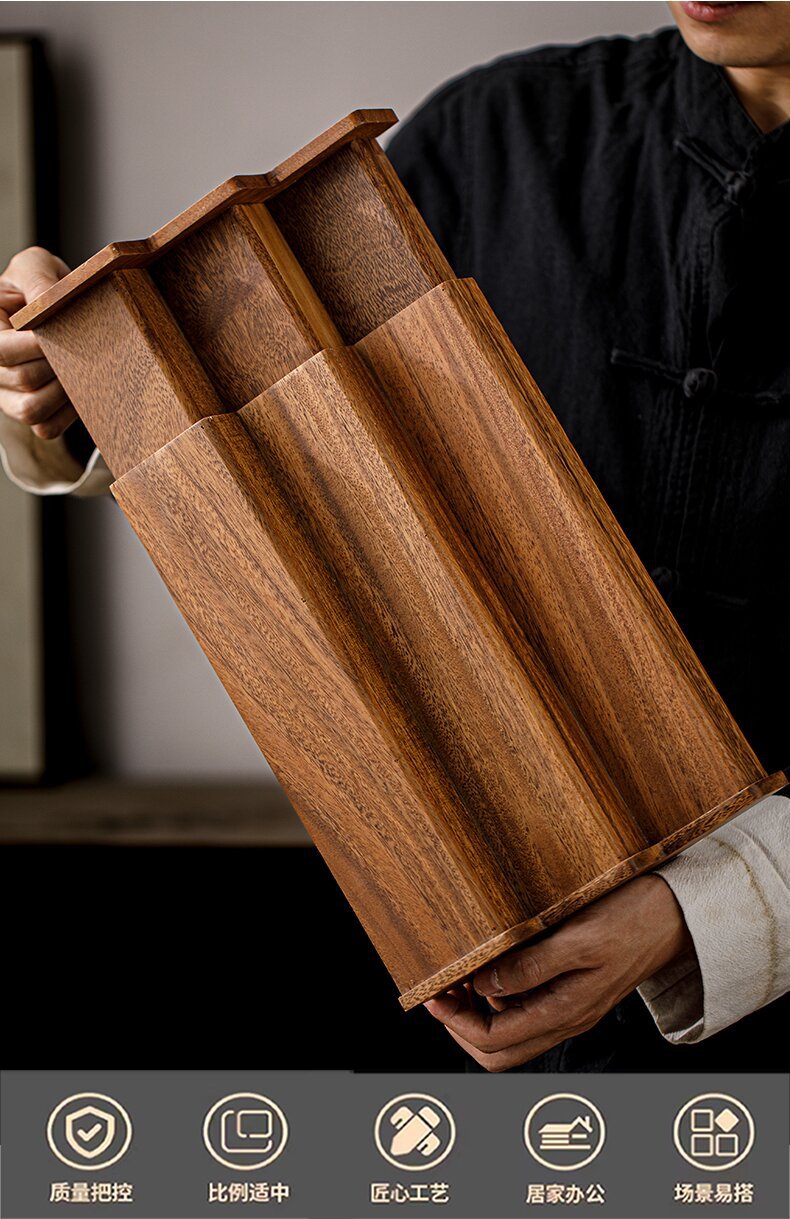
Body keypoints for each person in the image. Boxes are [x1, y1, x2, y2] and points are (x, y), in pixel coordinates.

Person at [0, 2, 787, 1073]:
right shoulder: (503, 130)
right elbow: (279, 425)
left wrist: (708, 910)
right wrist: (72, 376)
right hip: (495, 956)